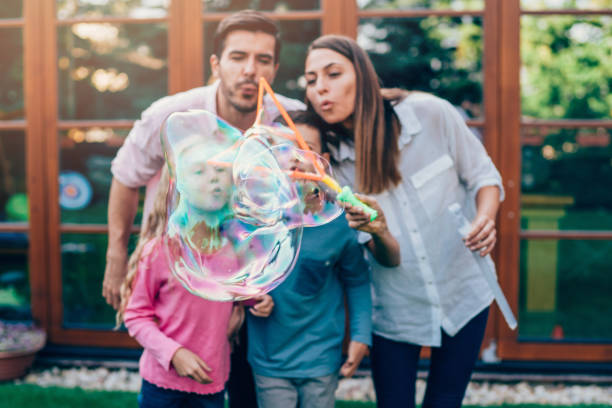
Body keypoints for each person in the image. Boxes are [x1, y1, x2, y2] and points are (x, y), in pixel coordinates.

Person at [104, 10, 303, 407]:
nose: (251, 70)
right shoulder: (169, 115)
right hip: (183, 270)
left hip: (250, 271)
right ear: (216, 64)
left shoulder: (289, 120)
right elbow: (126, 177)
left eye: (263, 60)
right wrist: (115, 256)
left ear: (275, 68)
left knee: (249, 379)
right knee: (177, 369)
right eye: (238, 57)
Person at [304, 35, 504, 408]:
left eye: (332, 74)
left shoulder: (432, 113)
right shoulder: (334, 170)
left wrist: (486, 218)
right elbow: (387, 258)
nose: (320, 89)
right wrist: (379, 231)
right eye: (311, 80)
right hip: (395, 310)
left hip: (464, 292)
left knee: (445, 401)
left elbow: (484, 176)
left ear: (362, 76)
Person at [246, 110, 374, 408]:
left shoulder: (338, 224)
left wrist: (360, 335)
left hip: (320, 357)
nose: (295, 158)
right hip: (269, 358)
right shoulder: (255, 219)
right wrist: (250, 299)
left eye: (307, 149)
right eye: (285, 149)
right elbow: (235, 276)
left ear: (323, 162)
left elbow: (357, 281)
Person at [116, 168, 257, 408]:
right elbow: (135, 315)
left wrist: (255, 300)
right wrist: (174, 354)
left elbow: (230, 296)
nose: (214, 177)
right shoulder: (160, 251)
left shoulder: (233, 252)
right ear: (179, 187)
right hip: (162, 383)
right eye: (199, 171)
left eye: (221, 171)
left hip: (212, 380)